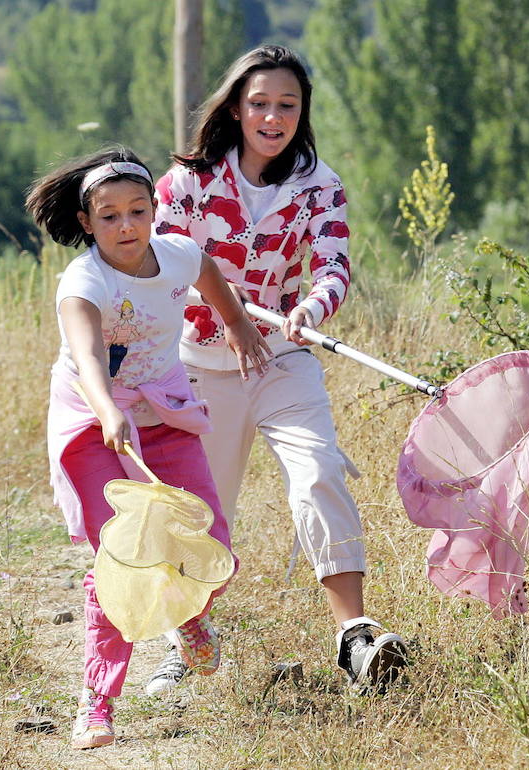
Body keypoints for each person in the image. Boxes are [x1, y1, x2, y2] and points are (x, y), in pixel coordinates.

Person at [148, 44, 407, 696]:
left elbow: (333, 266)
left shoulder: (321, 185)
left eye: (286, 105)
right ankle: (183, 642)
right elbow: (160, 270)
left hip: (282, 357)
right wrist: (222, 305)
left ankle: (355, 637)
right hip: (200, 367)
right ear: (235, 108)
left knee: (319, 471)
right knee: (202, 516)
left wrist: (311, 307)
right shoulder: (186, 184)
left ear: (301, 112)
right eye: (259, 103)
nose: (272, 116)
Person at [26, 146, 270, 750]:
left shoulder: (177, 255)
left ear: (155, 211)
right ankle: (98, 703)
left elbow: (208, 273)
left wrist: (237, 325)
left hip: (165, 413)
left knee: (209, 539)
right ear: (87, 223)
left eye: (138, 211)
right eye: (108, 216)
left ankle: (188, 615)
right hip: (95, 423)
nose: (126, 226)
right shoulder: (83, 280)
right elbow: (86, 356)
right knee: (120, 560)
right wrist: (108, 408)